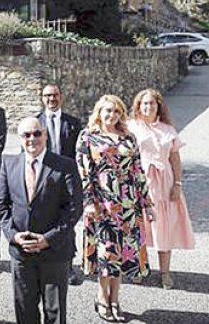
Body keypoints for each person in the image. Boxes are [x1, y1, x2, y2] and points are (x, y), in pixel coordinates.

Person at [0, 117, 82, 324]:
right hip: (21, 252)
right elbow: (1, 205)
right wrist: (14, 236)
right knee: (24, 310)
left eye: (37, 133)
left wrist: (48, 238)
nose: (32, 139)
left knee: (55, 312)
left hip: (54, 252)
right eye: (27, 135)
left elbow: (73, 208)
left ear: (45, 135)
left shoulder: (65, 165)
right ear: (20, 137)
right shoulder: (9, 163)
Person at [78, 95, 152, 323]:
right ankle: (102, 298)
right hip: (102, 206)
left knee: (120, 254)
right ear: (99, 112)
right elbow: (84, 173)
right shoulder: (88, 137)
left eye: (116, 111)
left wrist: (147, 204)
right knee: (106, 254)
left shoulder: (129, 138)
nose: (112, 115)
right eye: (107, 111)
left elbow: (138, 172)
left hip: (128, 206)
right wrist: (89, 201)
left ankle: (116, 299)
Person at [127, 88, 195, 290]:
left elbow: (175, 158)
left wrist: (177, 184)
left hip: (164, 183)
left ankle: (165, 272)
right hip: (140, 181)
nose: (148, 107)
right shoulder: (131, 127)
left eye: (152, 103)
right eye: (144, 103)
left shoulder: (168, 130)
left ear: (159, 106)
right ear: (138, 106)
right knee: (140, 227)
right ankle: (140, 268)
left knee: (163, 227)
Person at [37, 84, 84, 287]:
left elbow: (79, 154)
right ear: (42, 98)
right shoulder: (35, 122)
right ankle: (44, 263)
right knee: (44, 219)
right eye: (47, 96)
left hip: (66, 178)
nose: (51, 99)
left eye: (55, 95)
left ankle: (68, 266)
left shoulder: (73, 123)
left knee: (67, 221)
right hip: (43, 178)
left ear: (61, 97)